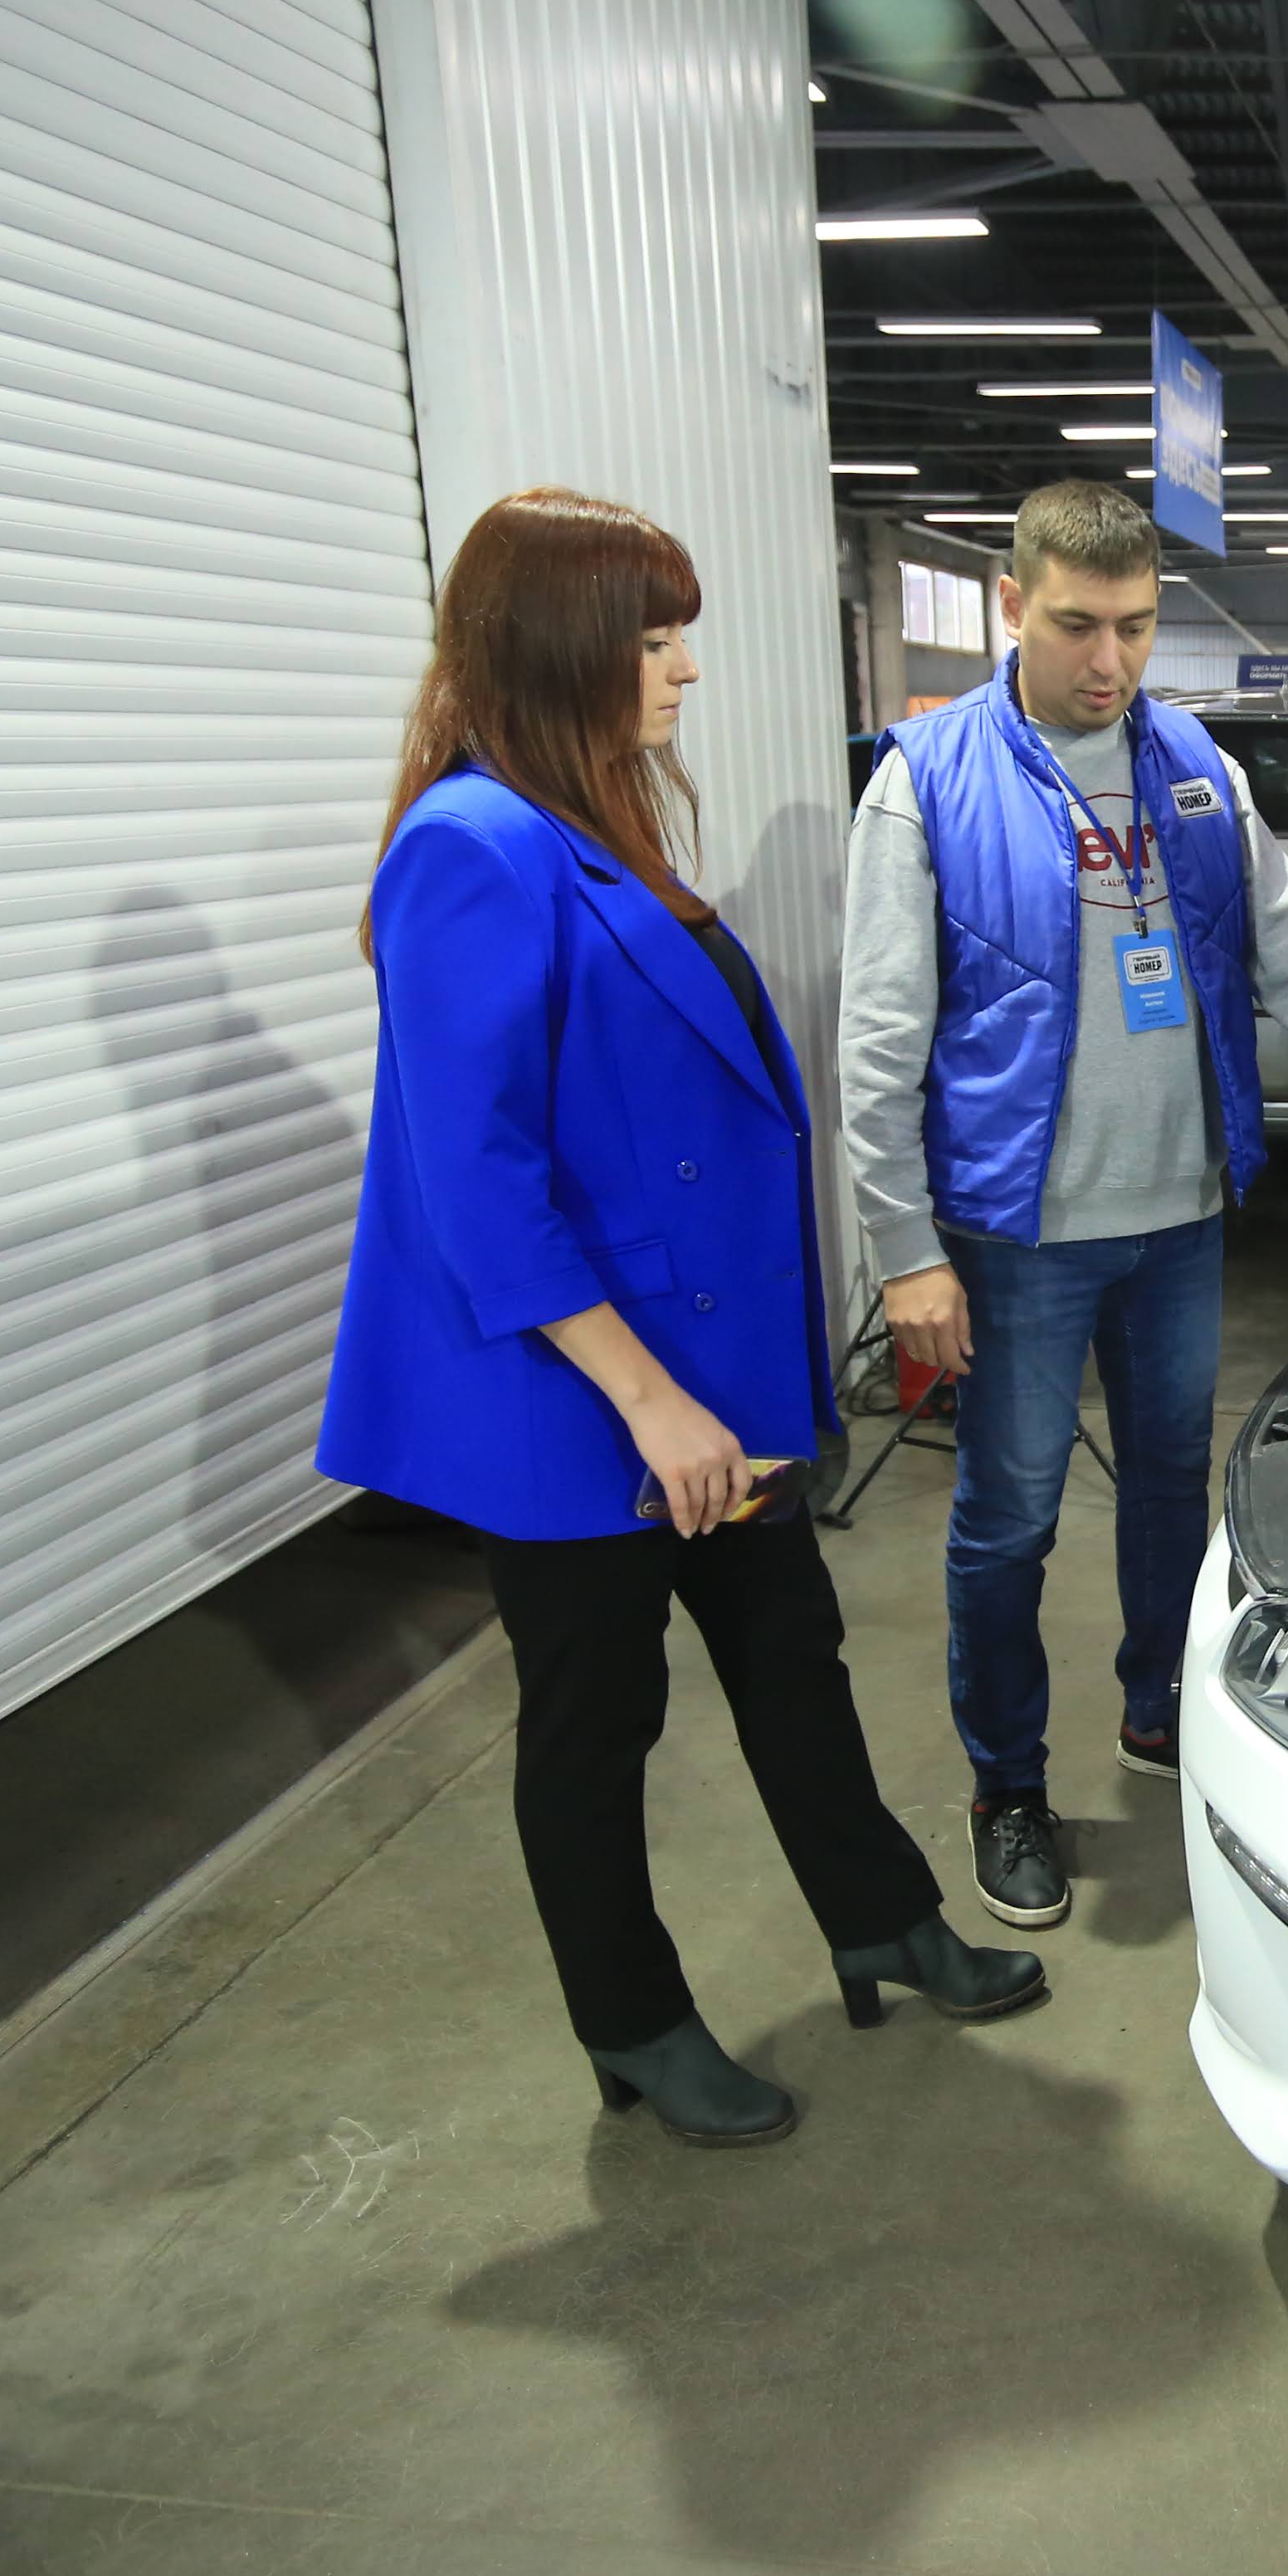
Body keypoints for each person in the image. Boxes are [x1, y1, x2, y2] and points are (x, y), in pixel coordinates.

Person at [319, 488, 1043, 2149]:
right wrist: (649, 1401)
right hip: (587, 1397)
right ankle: (632, 2021)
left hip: (706, 1371)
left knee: (791, 1655)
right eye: (651, 640)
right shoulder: (469, 848)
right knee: (597, 1719)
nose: (683, 669)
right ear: (556, 650)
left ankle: (880, 1920)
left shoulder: (591, 823)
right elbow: (477, 1184)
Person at [840, 481, 1288, 1925]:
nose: (1108, 660)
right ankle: (1006, 1783)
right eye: (1075, 625)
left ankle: (1158, 1709)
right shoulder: (926, 780)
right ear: (1011, 606)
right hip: (1019, 1234)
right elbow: (878, 1038)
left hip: (1175, 1217)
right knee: (1008, 1519)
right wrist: (904, 1248)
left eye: (1135, 626)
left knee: (1173, 1485)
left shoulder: (1196, 770)